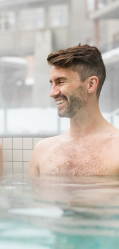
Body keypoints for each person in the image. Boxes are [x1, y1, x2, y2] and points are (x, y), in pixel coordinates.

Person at [29, 44, 119, 176]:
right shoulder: (42, 151)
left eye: (60, 82)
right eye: (52, 83)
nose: (52, 93)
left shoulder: (116, 148)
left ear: (91, 85)